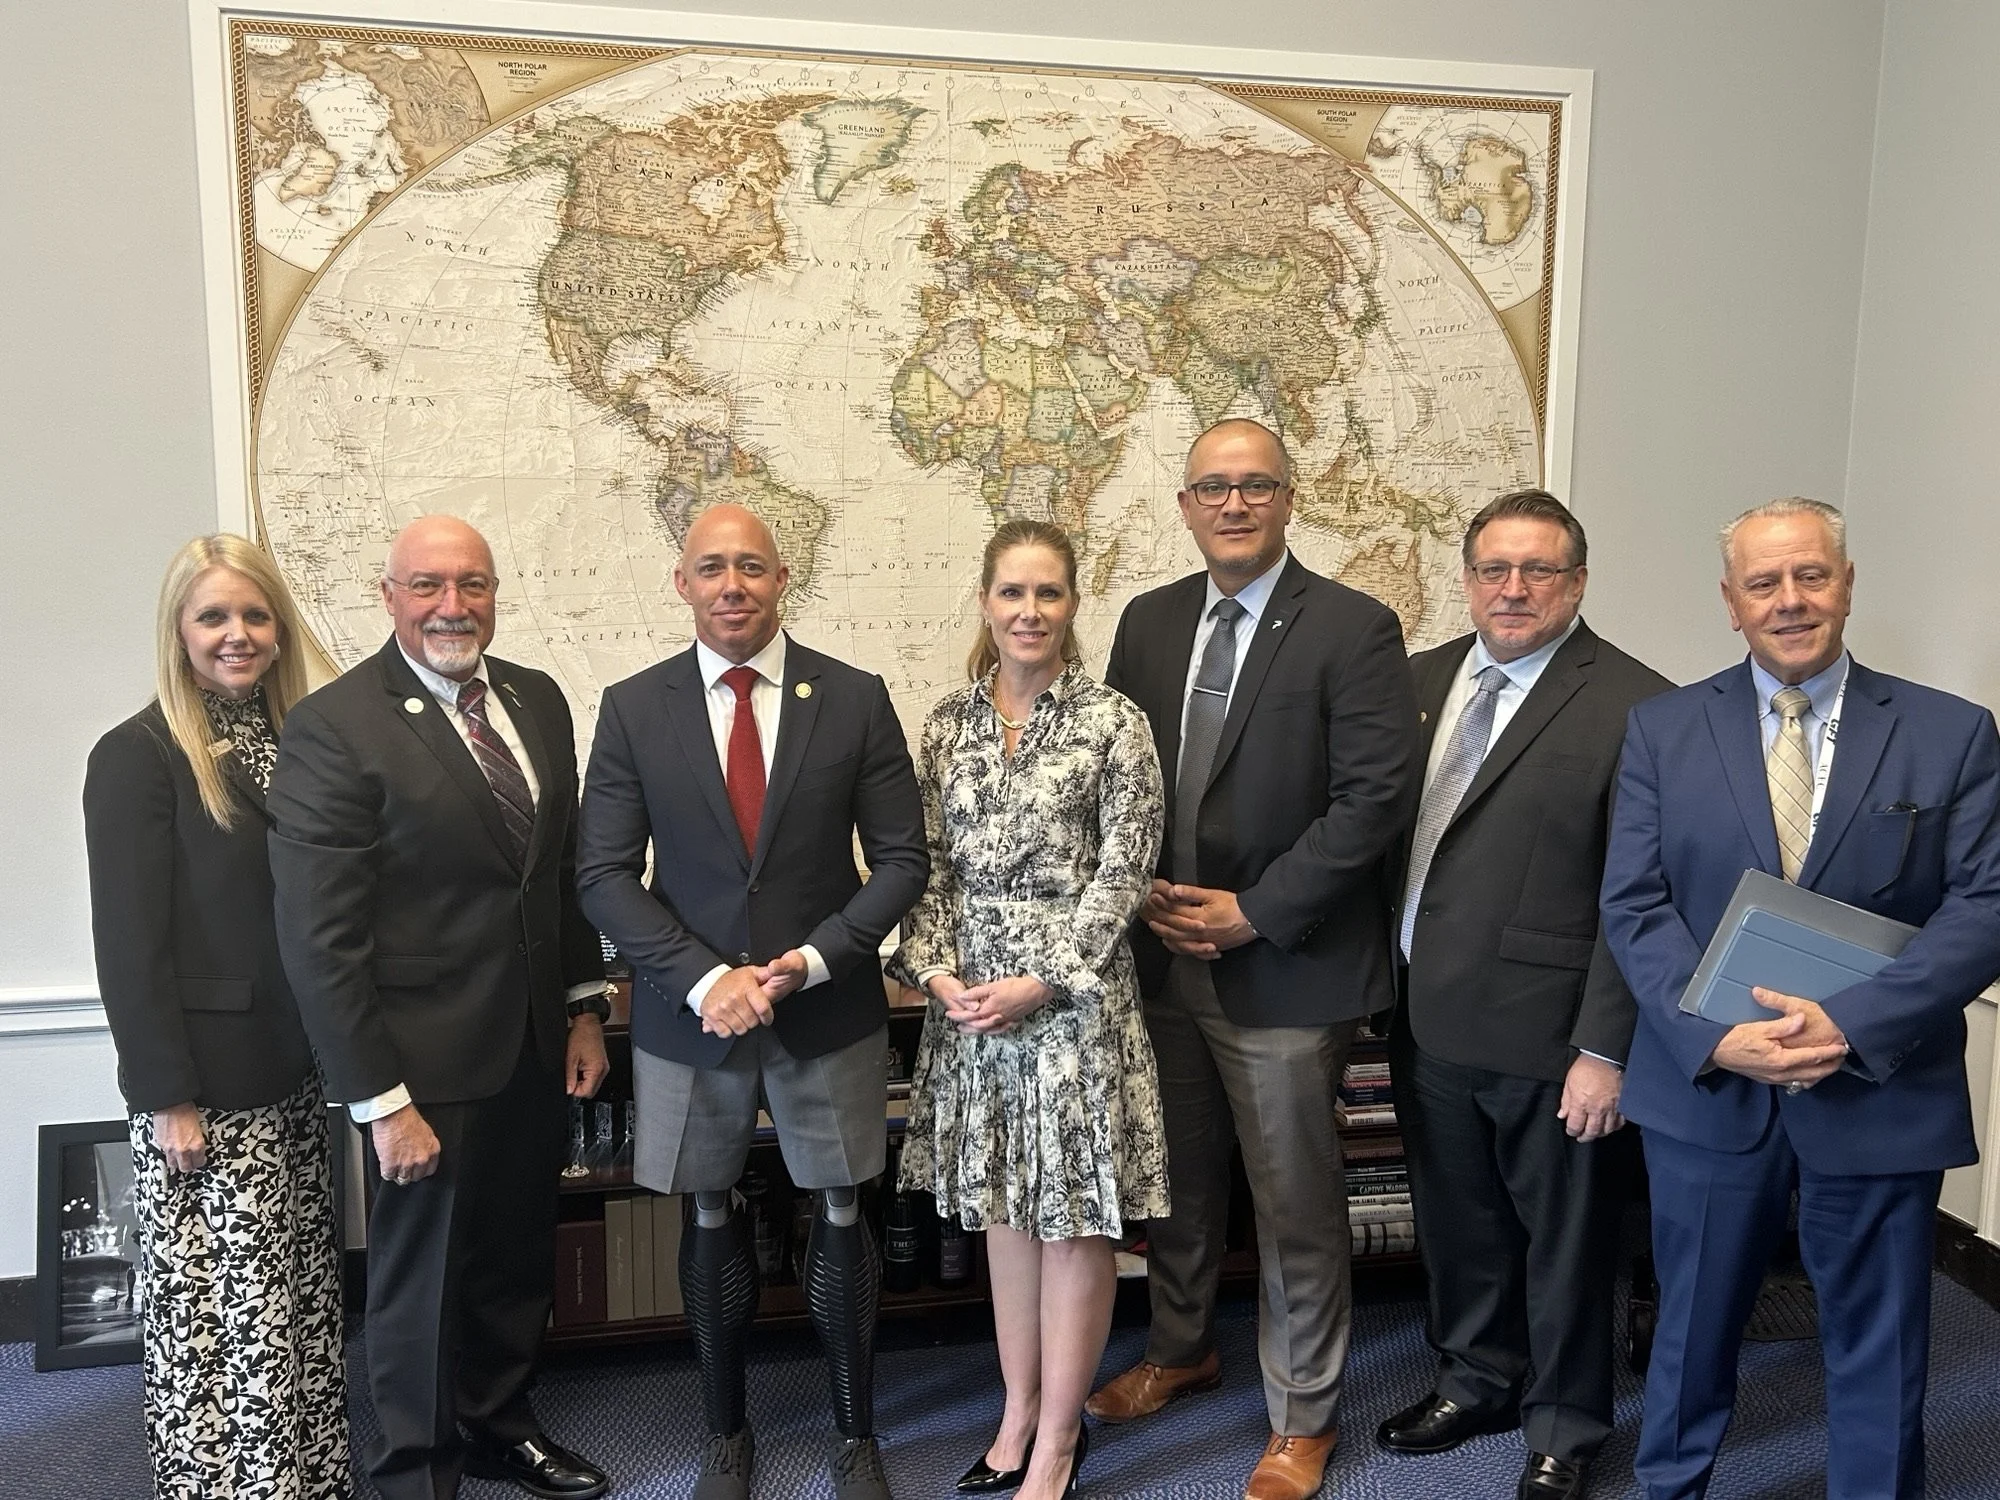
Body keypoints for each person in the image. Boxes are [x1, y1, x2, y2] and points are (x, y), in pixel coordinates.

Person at [1600, 498, 2000, 1500]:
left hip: (1876, 1083)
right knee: (1687, 1330)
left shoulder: (1949, 734)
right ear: (1729, 603)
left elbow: (1982, 908)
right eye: (1764, 583)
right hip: (1708, 1087)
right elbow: (1633, 903)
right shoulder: (1658, 729)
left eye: (1809, 576)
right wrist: (1713, 1035)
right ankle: (1672, 1489)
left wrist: (1852, 1023)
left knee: (1879, 1340)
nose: (1789, 601)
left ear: (1846, 583)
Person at [1089, 418, 1421, 1500]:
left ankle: (1302, 1416)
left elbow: (1371, 800)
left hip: (1284, 964)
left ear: (1287, 499)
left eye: (1255, 486)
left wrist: (1256, 912)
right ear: (1183, 505)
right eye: (1211, 488)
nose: (1232, 505)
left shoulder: (1352, 626)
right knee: (1178, 1184)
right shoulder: (1145, 622)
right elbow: (1113, 772)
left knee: (1290, 1202)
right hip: (1159, 962)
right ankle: (1179, 1349)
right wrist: (1127, 881)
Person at [576, 503, 927, 1500]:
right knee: (708, 1213)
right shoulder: (634, 707)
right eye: (710, 568)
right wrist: (703, 979)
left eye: (752, 568)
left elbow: (902, 860)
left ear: (782, 581)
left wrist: (811, 961)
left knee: (842, 1207)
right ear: (680, 584)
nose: (732, 584)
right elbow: (603, 874)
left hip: (826, 1008)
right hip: (690, 1019)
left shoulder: (853, 698)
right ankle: (724, 1436)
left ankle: (856, 1439)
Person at [268, 516, 611, 1500]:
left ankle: (502, 1425)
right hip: (418, 1066)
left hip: (534, 1047)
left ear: (495, 594)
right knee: (418, 1289)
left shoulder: (536, 700)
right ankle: (417, 1472)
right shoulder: (334, 725)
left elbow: (555, 871)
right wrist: (380, 1100)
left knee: (511, 1257)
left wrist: (584, 1010)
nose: (452, 607)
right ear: (389, 597)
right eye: (427, 586)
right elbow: (318, 939)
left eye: (472, 585)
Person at [1380, 491, 1671, 1500]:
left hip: (1552, 1034)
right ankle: (1476, 1382)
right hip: (1423, 1014)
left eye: (1536, 570)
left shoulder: (1637, 706)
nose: (1511, 590)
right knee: (1457, 1225)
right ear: (1465, 579)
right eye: (1491, 570)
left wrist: (1606, 1047)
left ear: (1576, 583)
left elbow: (1640, 897)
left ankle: (1563, 1423)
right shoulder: (1413, 683)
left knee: (1563, 1245)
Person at [888, 520, 1169, 1500]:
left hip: (1070, 1003)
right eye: (1011, 592)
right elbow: (919, 869)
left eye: (1048, 594)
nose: (1028, 612)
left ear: (1071, 606)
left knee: (1073, 1221)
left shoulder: (1111, 722)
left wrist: (1043, 978)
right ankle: (1012, 1415)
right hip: (970, 1006)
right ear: (983, 602)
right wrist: (931, 973)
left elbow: (1124, 867)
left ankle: (1057, 1439)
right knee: (1003, 1212)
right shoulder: (943, 725)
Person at [82, 533, 348, 1499]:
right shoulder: (137, 755)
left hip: (295, 1071)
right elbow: (129, 943)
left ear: (280, 629)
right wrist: (166, 1095)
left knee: (293, 1300)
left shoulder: (297, 743)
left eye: (255, 615)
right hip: (205, 1089)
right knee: (220, 1316)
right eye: (213, 617)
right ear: (178, 631)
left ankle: (310, 1477)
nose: (237, 635)